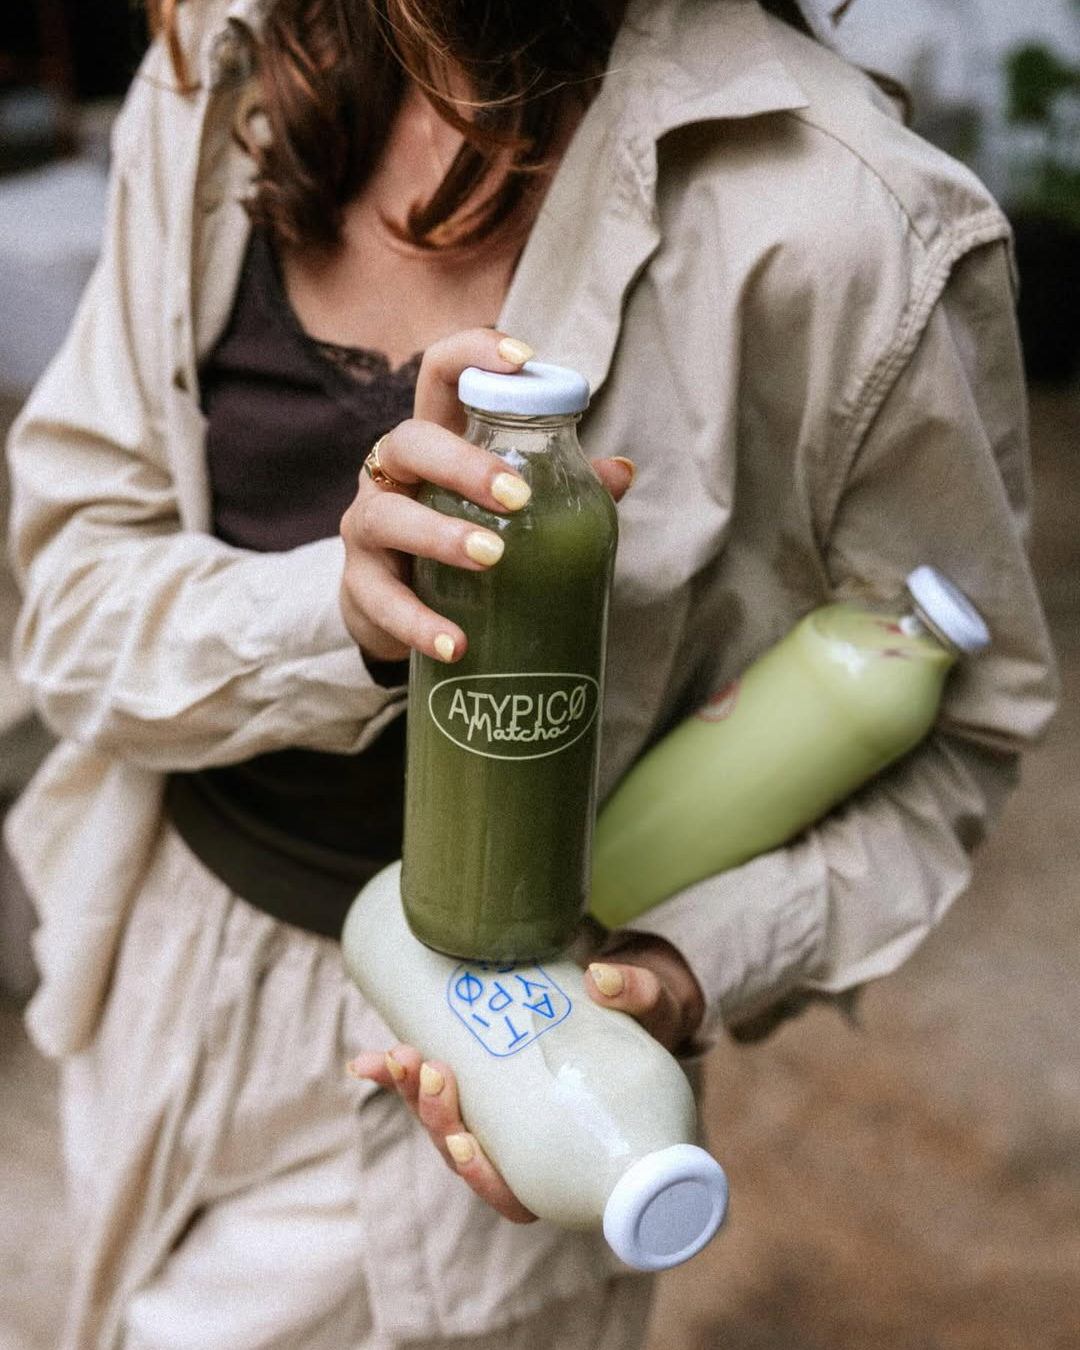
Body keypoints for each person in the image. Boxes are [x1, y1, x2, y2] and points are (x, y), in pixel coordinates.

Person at [4, 0, 1058, 1347]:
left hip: (504, 1041)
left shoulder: (849, 225)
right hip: (164, 957)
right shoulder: (226, 52)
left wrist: (679, 971)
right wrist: (342, 609)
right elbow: (76, 584)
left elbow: (959, 730)